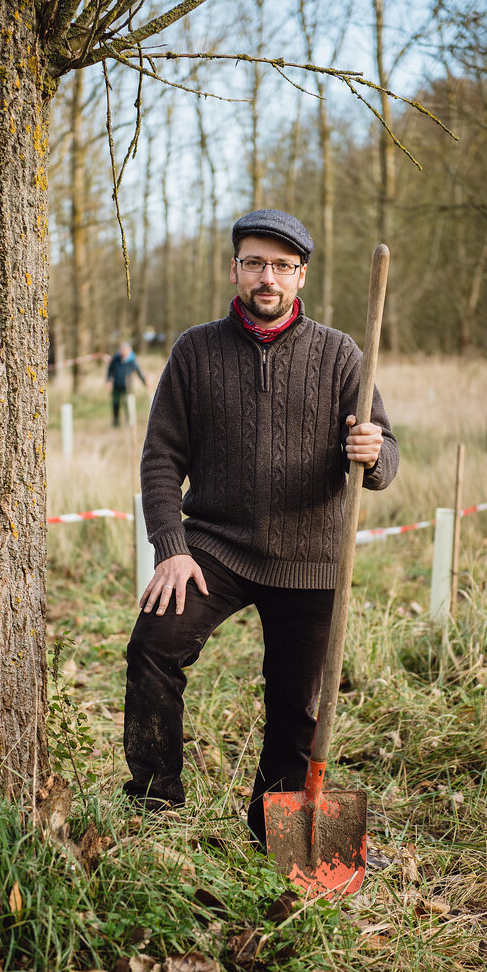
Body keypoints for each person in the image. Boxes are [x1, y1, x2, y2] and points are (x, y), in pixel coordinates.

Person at [122, 209, 399, 847]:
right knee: (152, 649)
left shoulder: (340, 355)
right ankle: (153, 803)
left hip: (313, 556)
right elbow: (161, 457)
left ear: (300, 276)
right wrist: (172, 547)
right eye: (254, 263)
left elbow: (388, 456)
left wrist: (373, 452)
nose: (266, 277)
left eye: (280, 266)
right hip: (216, 548)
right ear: (235, 270)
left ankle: (272, 835)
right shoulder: (194, 350)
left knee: (298, 707)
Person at [106, 341, 147, 426]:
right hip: (116, 385)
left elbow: (139, 372)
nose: (123, 353)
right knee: (115, 403)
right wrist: (108, 380)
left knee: (128, 403)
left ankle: (129, 421)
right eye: (122, 351)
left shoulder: (132, 360)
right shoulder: (116, 359)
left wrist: (144, 382)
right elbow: (110, 370)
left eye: (125, 351)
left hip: (127, 386)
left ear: (129, 351)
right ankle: (116, 422)